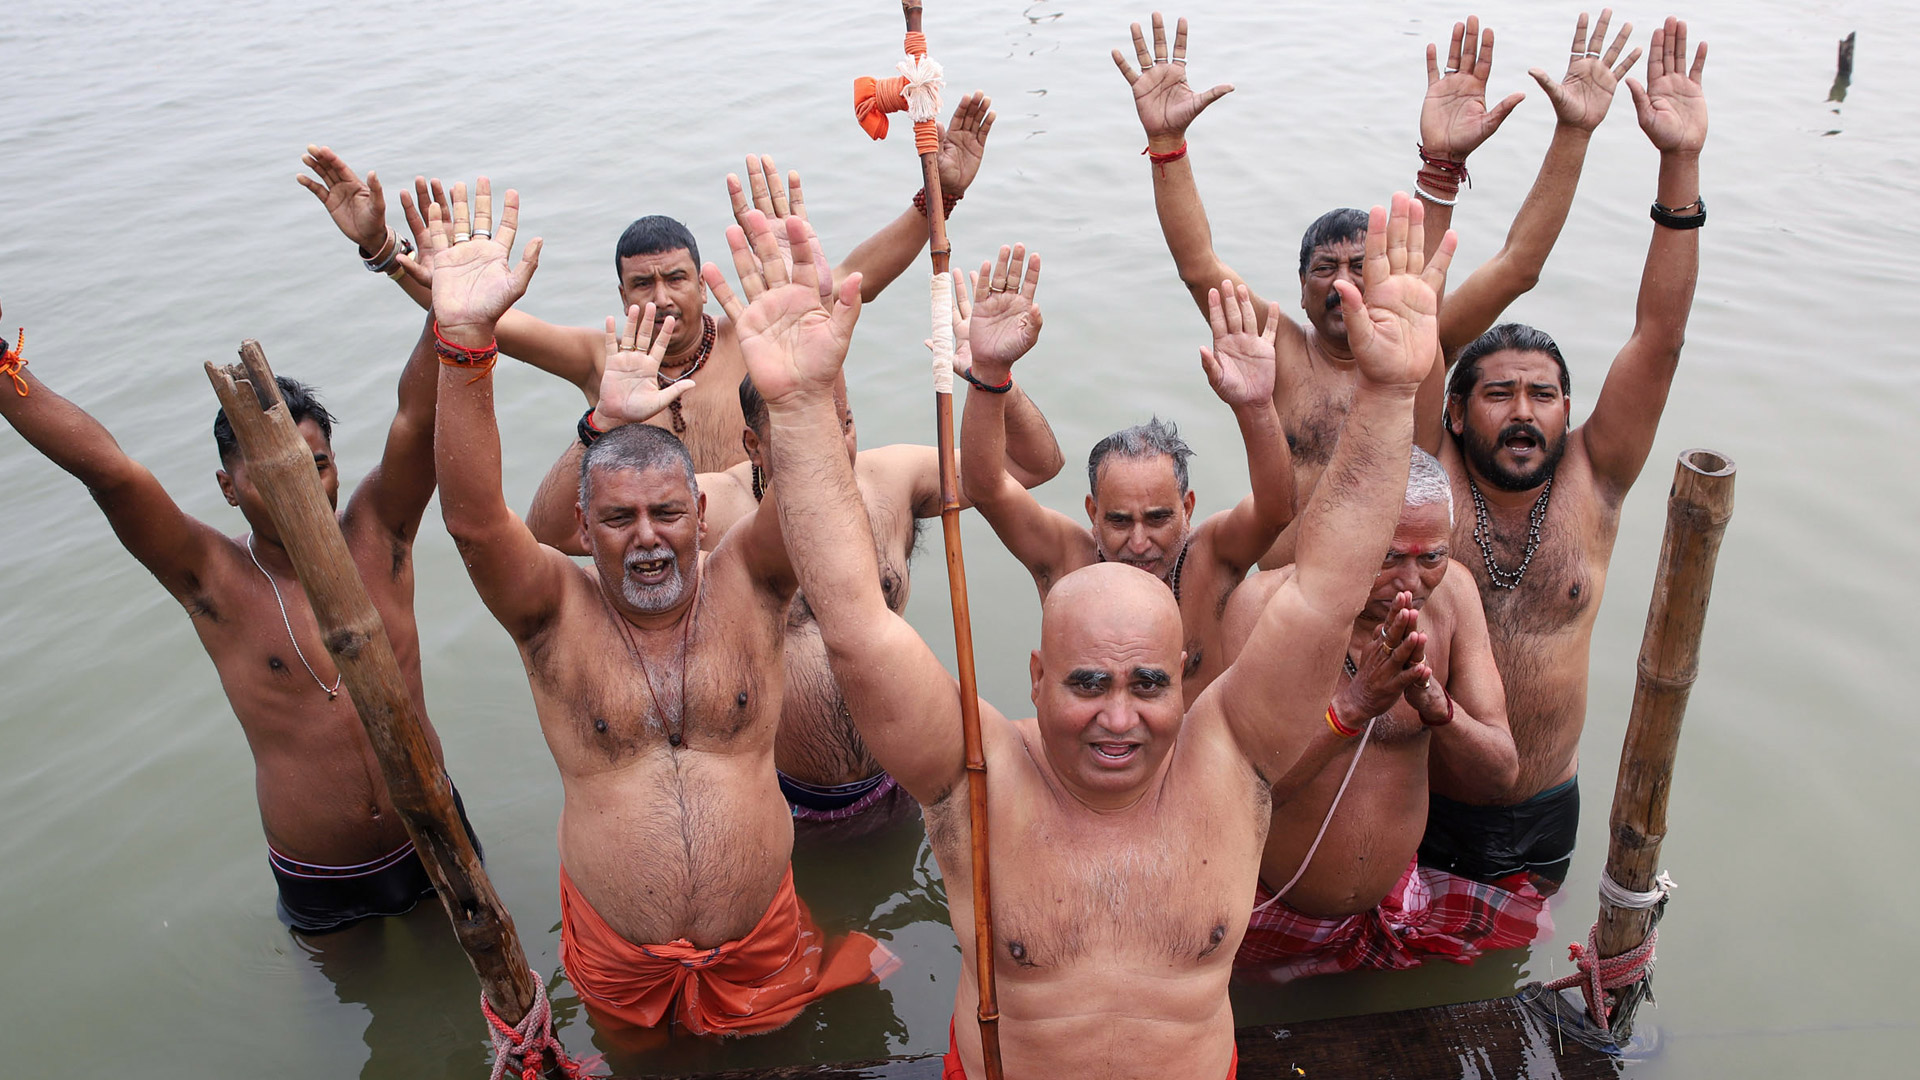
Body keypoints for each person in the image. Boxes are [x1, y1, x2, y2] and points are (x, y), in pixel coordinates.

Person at [716, 190, 1450, 1077]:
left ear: (1185, 678)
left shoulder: (1235, 753)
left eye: (1147, 685)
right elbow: (855, 624)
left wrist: (1390, 391)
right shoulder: (973, 777)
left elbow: (1327, 589)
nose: (1118, 718)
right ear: (1035, 679)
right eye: (1087, 684)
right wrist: (796, 413)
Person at [412, 182, 896, 1035]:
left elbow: (817, 496)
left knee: (789, 1053)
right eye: (619, 519)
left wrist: (810, 386)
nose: (647, 539)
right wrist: (463, 342)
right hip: (619, 962)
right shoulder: (552, 612)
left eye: (667, 514)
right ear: (582, 530)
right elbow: (472, 519)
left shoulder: (749, 580)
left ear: (703, 514)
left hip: (761, 945)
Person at [0, 303, 475, 935]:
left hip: (435, 833)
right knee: (345, 1016)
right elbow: (110, 474)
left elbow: (418, 420)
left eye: (317, 466)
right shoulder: (213, 580)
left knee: (478, 998)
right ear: (228, 487)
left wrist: (445, 306)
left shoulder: (380, 533)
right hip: (319, 868)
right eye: (271, 477)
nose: (301, 489)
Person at [528, 276, 1065, 831]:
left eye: (844, 425)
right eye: (801, 426)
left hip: (907, 777)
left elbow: (1033, 467)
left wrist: (994, 377)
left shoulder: (891, 479)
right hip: (784, 804)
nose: (830, 445)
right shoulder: (715, 511)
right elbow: (553, 535)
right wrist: (601, 424)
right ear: (753, 444)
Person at [1114, 12, 1627, 567]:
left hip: (1399, 587)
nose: (1343, 283)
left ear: (1387, 273)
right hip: (1287, 595)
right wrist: (1166, 143)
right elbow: (1198, 264)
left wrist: (1551, 140)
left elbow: (1518, 266)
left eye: (1361, 266)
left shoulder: (1426, 341)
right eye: (1324, 269)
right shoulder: (1274, 346)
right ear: (1301, 294)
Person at [299, 91, 995, 473]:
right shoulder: (599, 360)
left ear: (702, 281)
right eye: (641, 284)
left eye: (675, 279)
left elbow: (854, 281)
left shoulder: (755, 334)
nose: (660, 297)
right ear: (621, 292)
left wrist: (939, 198)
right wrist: (382, 249)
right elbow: (477, 320)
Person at [1419, 18, 1709, 889]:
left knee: (1514, 975)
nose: (1521, 414)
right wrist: (1439, 172)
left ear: (1568, 410)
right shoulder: (1424, 474)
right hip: (1413, 796)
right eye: (1498, 394)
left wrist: (1679, 163)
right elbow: (1413, 328)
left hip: (1543, 807)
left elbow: (1661, 334)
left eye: (1542, 395)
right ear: (1459, 412)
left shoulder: (1598, 475)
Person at [1221, 449, 1544, 981]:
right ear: (1340, 535)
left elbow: (1501, 772)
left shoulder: (1454, 597)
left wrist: (1439, 710)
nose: (1410, 583)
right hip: (1265, 909)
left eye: (1431, 558)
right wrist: (1350, 711)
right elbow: (1233, 794)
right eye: (1389, 556)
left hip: (1395, 910)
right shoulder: (1264, 609)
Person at [960, 250, 1292, 703]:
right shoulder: (1066, 562)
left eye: (1157, 519)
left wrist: (1255, 408)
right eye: (1118, 521)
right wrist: (990, 372)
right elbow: (986, 489)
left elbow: (1277, 510)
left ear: (1188, 509)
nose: (1138, 544)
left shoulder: (1211, 560)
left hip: (1194, 764)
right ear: (1092, 513)